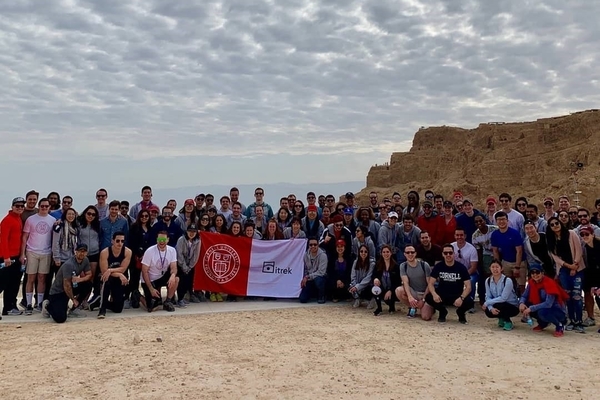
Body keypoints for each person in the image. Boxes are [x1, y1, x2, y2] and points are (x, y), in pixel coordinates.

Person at [546, 216, 586, 333]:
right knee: (567, 297)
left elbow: (579, 250)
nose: (555, 225)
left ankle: (579, 321)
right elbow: (556, 258)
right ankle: (571, 320)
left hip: (577, 269)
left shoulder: (571, 233)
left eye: (556, 223)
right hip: (563, 270)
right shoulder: (551, 239)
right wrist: (569, 267)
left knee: (577, 296)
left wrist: (575, 265)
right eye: (552, 224)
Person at [20, 197, 56, 314]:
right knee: (31, 278)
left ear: (49, 207)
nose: (44, 208)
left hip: (46, 253)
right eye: (42, 206)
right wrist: (23, 253)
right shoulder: (31, 219)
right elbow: (25, 237)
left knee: (42, 279)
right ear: (39, 207)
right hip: (31, 252)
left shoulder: (52, 220)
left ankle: (39, 303)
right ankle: (29, 304)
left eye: (46, 206)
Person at [42, 243, 93, 323]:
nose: (82, 253)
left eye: (84, 251)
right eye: (80, 251)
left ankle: (74, 309)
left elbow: (89, 275)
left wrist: (80, 280)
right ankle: (48, 306)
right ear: (75, 252)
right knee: (60, 319)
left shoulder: (85, 260)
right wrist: (73, 299)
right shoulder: (69, 265)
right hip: (58, 292)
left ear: (86, 253)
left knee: (88, 284)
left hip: (71, 287)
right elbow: (67, 285)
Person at [425, 244, 474, 324]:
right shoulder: (438, 266)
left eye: (450, 253)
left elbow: (468, 287)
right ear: (442, 254)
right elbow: (430, 283)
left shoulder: (461, 267)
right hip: (442, 295)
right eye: (445, 253)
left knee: (470, 301)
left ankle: (461, 313)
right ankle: (442, 312)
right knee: (429, 297)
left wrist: (461, 298)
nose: (448, 255)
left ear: (454, 254)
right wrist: (434, 294)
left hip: (457, 295)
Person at [519, 264, 569, 337]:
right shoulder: (531, 282)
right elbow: (524, 296)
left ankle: (559, 325)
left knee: (541, 312)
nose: (535, 275)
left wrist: (531, 308)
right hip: (542, 307)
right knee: (527, 305)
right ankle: (543, 323)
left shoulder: (549, 283)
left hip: (556, 310)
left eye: (537, 272)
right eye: (532, 273)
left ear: (542, 273)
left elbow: (548, 304)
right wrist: (521, 303)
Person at [93, 232, 132, 319]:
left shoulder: (128, 252)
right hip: (106, 277)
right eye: (117, 241)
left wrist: (111, 270)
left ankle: (99, 301)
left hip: (120, 278)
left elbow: (123, 269)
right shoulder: (105, 252)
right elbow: (104, 271)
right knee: (106, 280)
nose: (120, 243)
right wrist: (118, 274)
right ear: (112, 241)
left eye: (122, 241)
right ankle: (102, 309)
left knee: (118, 309)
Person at [140, 231, 179, 312]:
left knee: (176, 279)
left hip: (162, 277)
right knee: (151, 308)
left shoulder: (172, 250)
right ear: (156, 239)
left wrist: (172, 275)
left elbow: (174, 267)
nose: (162, 241)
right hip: (150, 280)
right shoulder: (149, 251)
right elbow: (144, 271)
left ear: (168, 240)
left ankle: (168, 301)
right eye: (160, 239)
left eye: (164, 239)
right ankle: (138, 296)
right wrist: (151, 288)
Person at [0, 197, 25, 316]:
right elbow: (3, 240)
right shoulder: (7, 220)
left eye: (22, 206)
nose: (20, 208)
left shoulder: (18, 219)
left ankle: (8, 308)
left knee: (13, 285)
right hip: (7, 258)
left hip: (17, 257)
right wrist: (6, 257)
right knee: (2, 284)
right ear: (12, 206)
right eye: (17, 206)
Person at [396, 245, 434, 321]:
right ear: (404, 254)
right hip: (413, 292)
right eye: (408, 252)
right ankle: (412, 307)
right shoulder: (403, 266)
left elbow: (430, 284)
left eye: (412, 252)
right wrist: (410, 297)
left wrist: (423, 299)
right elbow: (405, 282)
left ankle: (430, 307)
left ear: (415, 253)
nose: (410, 254)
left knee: (426, 317)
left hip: (425, 293)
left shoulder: (424, 265)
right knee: (399, 290)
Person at [482, 261, 520, 331]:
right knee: (488, 311)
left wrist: (487, 303)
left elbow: (503, 298)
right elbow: (488, 296)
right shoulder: (487, 280)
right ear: (490, 268)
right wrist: (490, 308)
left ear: (501, 269)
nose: (495, 269)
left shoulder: (507, 280)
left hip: (512, 306)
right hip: (498, 303)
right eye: (493, 267)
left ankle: (508, 321)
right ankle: (501, 317)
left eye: (497, 267)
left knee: (499, 305)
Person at [176, 224, 201, 307]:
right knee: (181, 281)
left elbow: (196, 255)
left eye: (194, 231)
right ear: (187, 231)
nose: (192, 233)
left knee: (188, 281)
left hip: (190, 265)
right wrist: (184, 267)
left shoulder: (198, 240)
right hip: (180, 264)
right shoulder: (181, 240)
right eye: (190, 231)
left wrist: (190, 267)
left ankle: (185, 297)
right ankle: (179, 299)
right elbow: (179, 254)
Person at [372, 245, 401, 316]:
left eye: (387, 252)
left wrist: (391, 290)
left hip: (392, 289)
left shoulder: (396, 266)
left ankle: (392, 306)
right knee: (374, 289)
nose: (386, 254)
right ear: (381, 253)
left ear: (391, 253)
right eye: (384, 252)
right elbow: (373, 275)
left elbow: (398, 282)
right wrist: (375, 279)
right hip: (382, 287)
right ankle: (379, 308)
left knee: (390, 299)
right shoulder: (378, 264)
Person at [581, 225, 600, 327]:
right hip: (591, 274)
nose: (584, 236)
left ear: (592, 235)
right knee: (591, 294)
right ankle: (591, 318)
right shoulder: (585, 247)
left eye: (587, 234)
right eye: (582, 234)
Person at [299, 237, 327, 304]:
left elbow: (321, 272)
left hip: (320, 278)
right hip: (309, 279)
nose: (313, 246)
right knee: (302, 299)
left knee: (319, 280)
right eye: (311, 245)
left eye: (315, 244)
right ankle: (312, 294)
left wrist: (308, 277)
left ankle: (322, 295)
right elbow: (305, 269)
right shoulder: (306, 255)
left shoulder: (323, 255)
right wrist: (304, 278)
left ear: (318, 245)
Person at [348, 244, 375, 309]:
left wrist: (357, 287)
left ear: (368, 253)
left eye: (365, 252)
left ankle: (371, 300)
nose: (363, 253)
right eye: (361, 251)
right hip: (357, 284)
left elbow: (368, 278)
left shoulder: (372, 264)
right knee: (349, 287)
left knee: (369, 289)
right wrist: (354, 286)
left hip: (366, 286)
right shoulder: (355, 262)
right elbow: (353, 275)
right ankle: (358, 299)